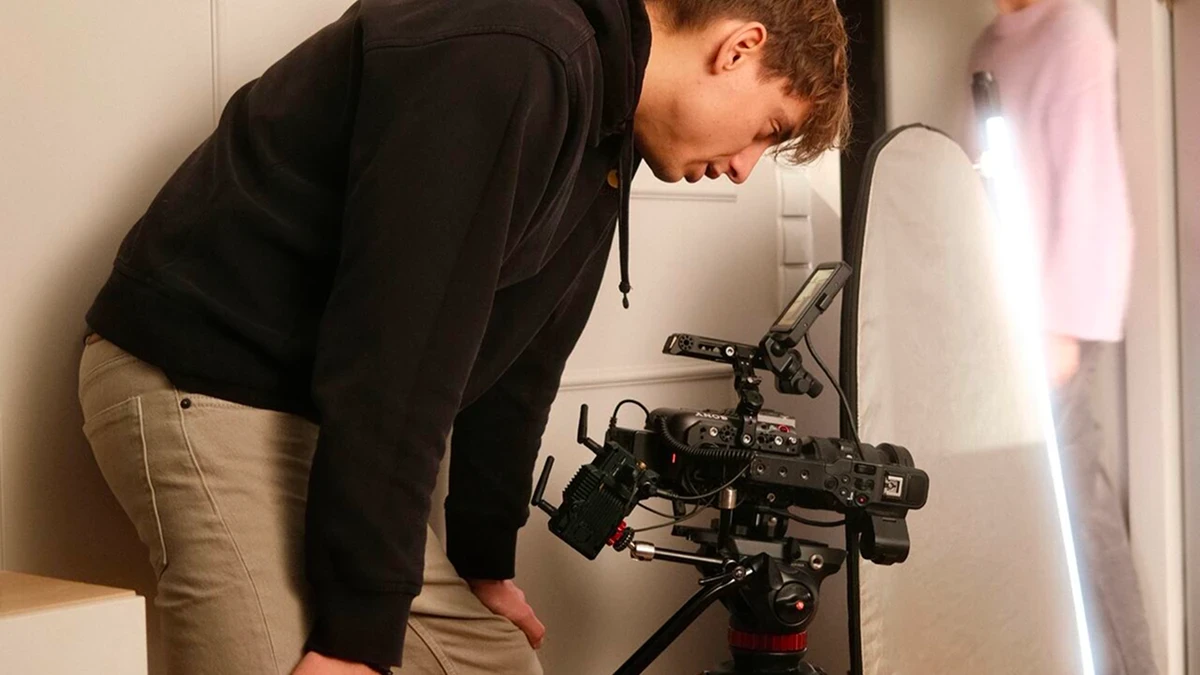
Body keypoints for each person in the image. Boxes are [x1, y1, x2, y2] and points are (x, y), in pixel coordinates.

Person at [76, 0, 849, 672]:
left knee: (498, 662)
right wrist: (356, 635)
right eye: (768, 128)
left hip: (323, 405)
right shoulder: (519, 53)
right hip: (204, 382)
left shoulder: (608, 126)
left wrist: (484, 560)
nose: (746, 169)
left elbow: (522, 360)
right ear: (738, 47)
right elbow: (399, 344)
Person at [969, 2, 1154, 674]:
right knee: (1027, 533)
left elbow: (1091, 188)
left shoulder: (1073, 32)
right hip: (1003, 324)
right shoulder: (990, 44)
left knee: (1079, 524)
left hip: (1055, 327)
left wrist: (1062, 330)